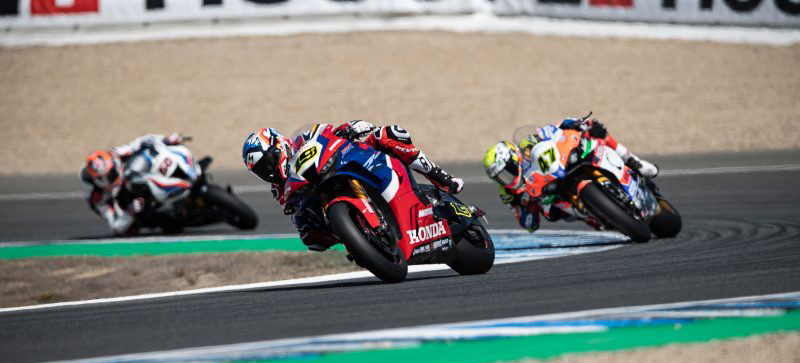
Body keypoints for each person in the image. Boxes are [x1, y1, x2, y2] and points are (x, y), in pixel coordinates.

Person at [242, 121, 464, 251]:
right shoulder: (279, 189)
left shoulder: (303, 139)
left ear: (279, 146)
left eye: (268, 162)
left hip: (343, 165)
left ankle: (441, 177)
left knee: (388, 134)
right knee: (309, 236)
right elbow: (294, 212)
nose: (269, 171)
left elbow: (329, 132)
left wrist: (352, 127)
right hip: (324, 199)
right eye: (261, 170)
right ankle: (363, 240)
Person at [483, 116, 658, 232]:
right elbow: (529, 225)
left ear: (515, 158)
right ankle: (596, 216)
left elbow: (551, 131)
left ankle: (635, 162)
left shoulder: (527, 145)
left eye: (507, 170)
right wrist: (526, 204)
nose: (506, 178)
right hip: (553, 195)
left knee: (596, 131)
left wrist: (574, 123)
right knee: (556, 212)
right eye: (500, 177)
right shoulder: (508, 192)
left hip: (561, 165)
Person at [79, 133, 184, 236]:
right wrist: (131, 211)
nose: (113, 175)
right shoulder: (97, 198)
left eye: (113, 170)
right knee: (131, 229)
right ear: (98, 181)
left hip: (130, 177)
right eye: (109, 176)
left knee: (146, 155)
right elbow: (116, 227)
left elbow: (142, 141)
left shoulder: (114, 155)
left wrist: (166, 140)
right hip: (120, 201)